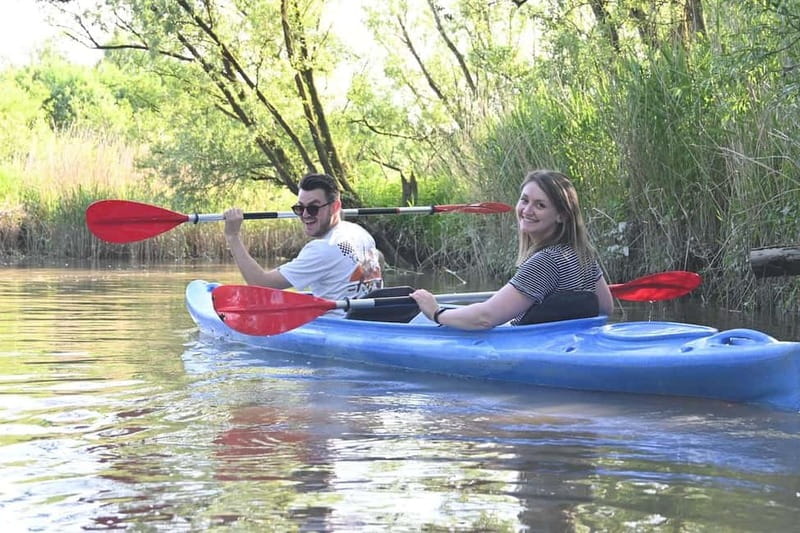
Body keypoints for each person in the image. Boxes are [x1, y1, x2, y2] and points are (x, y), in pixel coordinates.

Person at [410, 169, 613, 330]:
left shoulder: (546, 261)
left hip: (535, 351)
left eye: (540, 205)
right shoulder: (581, 254)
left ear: (561, 215)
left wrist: (436, 312)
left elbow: (484, 318)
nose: (527, 210)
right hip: (565, 345)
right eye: (524, 200)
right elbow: (606, 308)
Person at [223, 173, 383, 305]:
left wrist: (233, 236)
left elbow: (261, 284)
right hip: (369, 316)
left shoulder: (322, 249)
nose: (305, 215)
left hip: (338, 327)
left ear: (335, 207)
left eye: (313, 208)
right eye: (300, 208)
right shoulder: (360, 233)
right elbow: (379, 259)